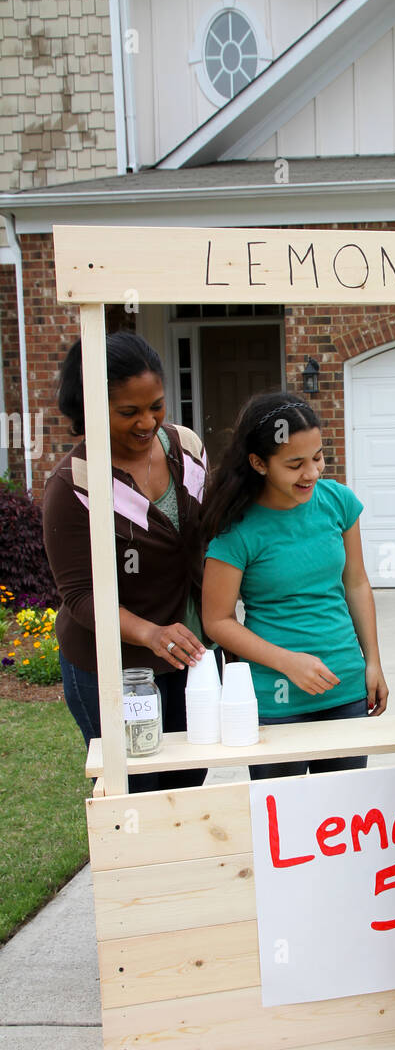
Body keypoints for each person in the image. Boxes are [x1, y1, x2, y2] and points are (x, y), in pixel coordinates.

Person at [42, 332, 208, 793]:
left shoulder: (186, 448)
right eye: (128, 412)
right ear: (92, 409)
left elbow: (210, 536)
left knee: (187, 783)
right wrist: (150, 633)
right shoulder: (75, 484)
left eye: (156, 405)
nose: (147, 422)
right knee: (136, 792)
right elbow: (79, 596)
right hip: (114, 669)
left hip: (189, 656)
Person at [201, 392, 387, 778]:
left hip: (345, 689)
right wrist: (288, 663)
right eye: (295, 464)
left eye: (317, 457)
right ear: (258, 463)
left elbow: (356, 582)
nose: (312, 473)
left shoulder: (338, 503)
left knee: (343, 823)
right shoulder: (238, 530)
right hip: (275, 699)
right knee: (283, 826)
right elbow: (217, 621)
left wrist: (373, 662)